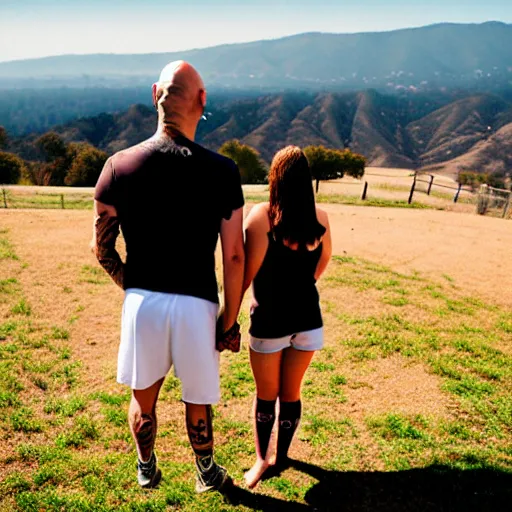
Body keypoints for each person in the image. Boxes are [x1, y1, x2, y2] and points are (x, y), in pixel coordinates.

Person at [91, 61, 245, 493]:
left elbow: (101, 248)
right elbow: (234, 257)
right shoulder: (223, 171)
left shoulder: (118, 167)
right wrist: (229, 322)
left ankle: (145, 466)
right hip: (198, 303)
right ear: (202, 101)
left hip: (143, 302)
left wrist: (135, 285)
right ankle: (206, 472)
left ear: (155, 92)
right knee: (197, 396)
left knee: (143, 396)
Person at [241, 146, 332, 489]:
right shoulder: (321, 218)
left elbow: (246, 273)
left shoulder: (262, 217)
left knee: (267, 395)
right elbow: (323, 262)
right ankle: (282, 456)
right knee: (290, 393)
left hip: (270, 321)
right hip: (309, 318)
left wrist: (227, 318)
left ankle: (262, 461)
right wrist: (301, 285)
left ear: (274, 179)